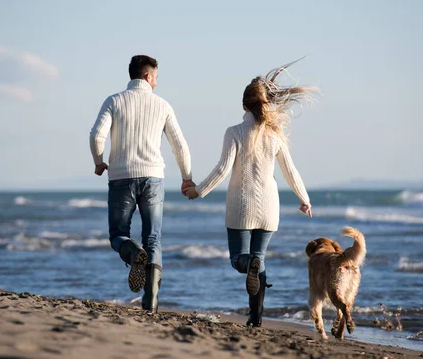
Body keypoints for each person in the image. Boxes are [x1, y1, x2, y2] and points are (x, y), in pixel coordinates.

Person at [183, 60, 314, 327]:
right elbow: (291, 170)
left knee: (239, 260)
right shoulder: (275, 135)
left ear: (244, 105)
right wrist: (304, 198)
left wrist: (198, 191)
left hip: (241, 207)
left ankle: (248, 264)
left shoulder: (234, 132)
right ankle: (256, 319)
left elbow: (222, 169)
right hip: (269, 209)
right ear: (265, 104)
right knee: (260, 260)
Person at [89, 55, 194, 312]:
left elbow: (96, 135)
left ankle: (133, 251)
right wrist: (186, 177)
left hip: (121, 177)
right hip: (153, 178)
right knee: (154, 240)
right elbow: (179, 145)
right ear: (148, 76)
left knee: (118, 235)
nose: (157, 82)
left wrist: (99, 161)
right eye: (156, 77)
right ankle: (151, 301)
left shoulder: (114, 101)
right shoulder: (162, 105)